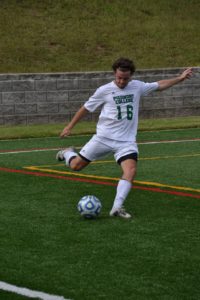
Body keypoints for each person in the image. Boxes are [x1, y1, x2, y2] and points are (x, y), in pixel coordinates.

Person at [56, 57, 193, 219]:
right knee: (76, 166)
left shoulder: (137, 87)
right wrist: (69, 126)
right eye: (119, 78)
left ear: (131, 76)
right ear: (114, 74)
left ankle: (117, 207)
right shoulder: (104, 90)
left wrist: (180, 78)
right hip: (103, 138)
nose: (121, 81)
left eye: (125, 78)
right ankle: (67, 153)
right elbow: (86, 108)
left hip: (126, 141)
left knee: (131, 170)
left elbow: (159, 85)